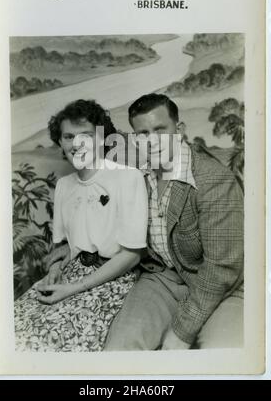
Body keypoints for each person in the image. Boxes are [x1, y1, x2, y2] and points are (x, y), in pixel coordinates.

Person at [104, 93, 244, 350]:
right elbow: (96, 210)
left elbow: (221, 269)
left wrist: (182, 331)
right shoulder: (136, 176)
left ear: (179, 130)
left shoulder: (214, 180)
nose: (153, 141)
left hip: (224, 288)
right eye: (143, 133)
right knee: (119, 349)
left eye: (160, 130)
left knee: (220, 354)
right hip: (163, 279)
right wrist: (65, 247)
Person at [14, 99, 148, 352]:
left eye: (85, 135)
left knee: (46, 341)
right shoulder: (65, 185)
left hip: (113, 279)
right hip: (70, 275)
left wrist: (72, 289)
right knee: (13, 326)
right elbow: (64, 245)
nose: (76, 145)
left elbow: (131, 256)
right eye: (68, 137)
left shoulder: (128, 177)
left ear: (101, 139)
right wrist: (55, 268)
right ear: (60, 142)